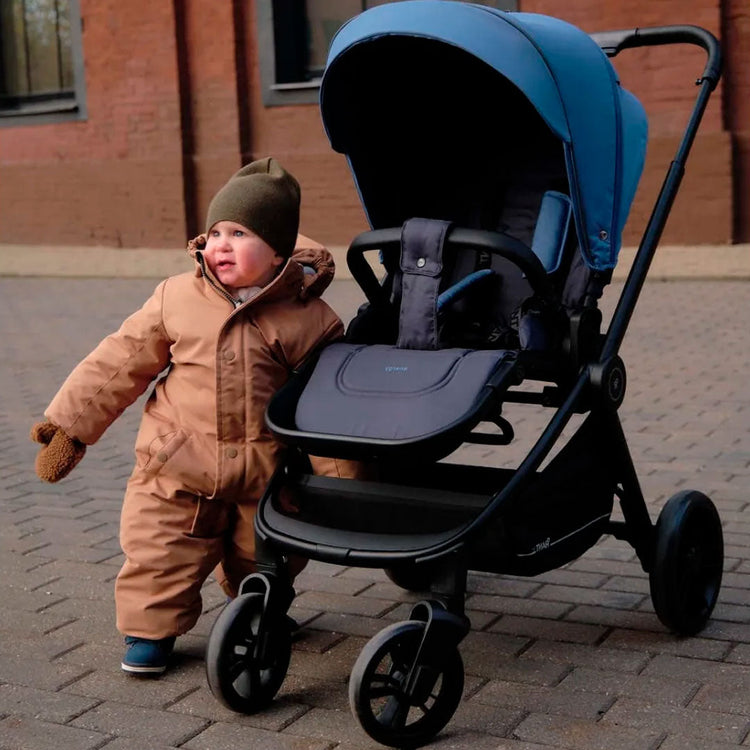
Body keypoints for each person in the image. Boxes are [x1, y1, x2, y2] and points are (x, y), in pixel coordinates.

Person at [30, 157, 357, 675]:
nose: (220, 244)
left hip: (266, 470)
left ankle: (259, 606)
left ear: (277, 254)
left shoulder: (310, 320)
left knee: (266, 554)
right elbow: (117, 364)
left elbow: (326, 407)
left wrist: (343, 484)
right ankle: (149, 631)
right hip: (176, 463)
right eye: (215, 232)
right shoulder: (176, 298)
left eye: (240, 233)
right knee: (160, 549)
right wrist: (69, 429)